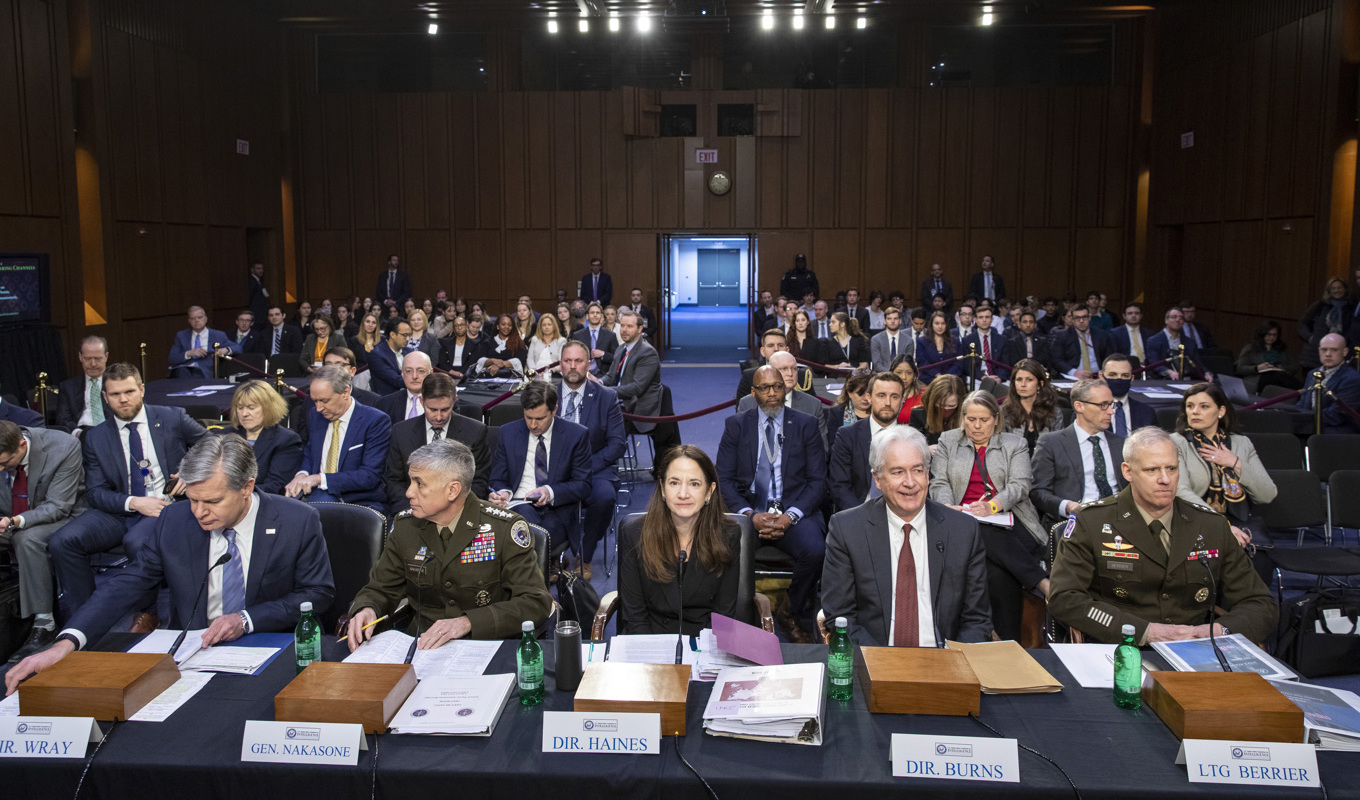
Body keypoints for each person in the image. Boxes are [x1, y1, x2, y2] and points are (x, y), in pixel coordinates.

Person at [7, 434, 335, 695]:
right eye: (193, 499)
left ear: (247, 487)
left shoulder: (297, 520)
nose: (199, 512)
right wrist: (66, 643)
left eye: (213, 501)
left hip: (272, 653)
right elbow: (127, 584)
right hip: (192, 659)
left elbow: (317, 593)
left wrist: (246, 619)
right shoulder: (175, 521)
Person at [1048, 426, 1278, 645]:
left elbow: (1260, 603)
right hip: (1120, 647)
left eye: (1172, 468)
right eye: (1152, 470)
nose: (1165, 479)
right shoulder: (1092, 522)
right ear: (1127, 472)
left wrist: (1217, 631)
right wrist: (1145, 632)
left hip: (1197, 650)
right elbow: (1065, 599)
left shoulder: (1211, 525)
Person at [349, 438, 552, 648]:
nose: (409, 492)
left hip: (486, 645)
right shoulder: (406, 527)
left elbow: (535, 603)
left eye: (419, 483)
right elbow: (381, 589)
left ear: (453, 490)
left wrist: (468, 622)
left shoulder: (503, 528)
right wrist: (367, 608)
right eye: (410, 482)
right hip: (423, 649)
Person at [47, 363, 207, 620]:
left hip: (168, 505)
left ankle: (145, 613)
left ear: (142, 389)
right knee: (63, 541)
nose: (123, 399)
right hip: (122, 508)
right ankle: (86, 619)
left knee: (137, 543)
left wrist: (192, 475)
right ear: (105, 397)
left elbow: (212, 444)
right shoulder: (96, 437)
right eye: (115, 394)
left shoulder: (171, 417)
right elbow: (95, 492)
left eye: (129, 391)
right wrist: (134, 503)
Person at [822, 426, 992, 646]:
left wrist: (956, 664)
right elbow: (840, 617)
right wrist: (883, 665)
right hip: (877, 661)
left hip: (946, 662)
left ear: (928, 475)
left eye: (918, 470)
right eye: (898, 472)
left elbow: (977, 620)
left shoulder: (963, 530)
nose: (910, 482)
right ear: (878, 479)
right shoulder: (847, 530)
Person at [716, 365, 827, 642]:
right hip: (751, 510)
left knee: (815, 550)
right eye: (764, 388)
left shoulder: (805, 424)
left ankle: (791, 611)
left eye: (777, 386)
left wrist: (791, 515)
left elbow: (817, 481)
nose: (772, 393)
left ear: (786, 388)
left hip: (793, 511)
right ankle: (741, 615)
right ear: (754, 393)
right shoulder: (736, 425)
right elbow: (724, 479)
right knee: (722, 549)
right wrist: (748, 514)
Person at [929, 391, 1048, 641]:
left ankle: (991, 637)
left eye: (984, 419)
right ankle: (1037, 586)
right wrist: (948, 506)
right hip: (960, 520)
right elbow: (939, 482)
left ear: (996, 419)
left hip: (1011, 524)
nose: (977, 426)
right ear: (963, 418)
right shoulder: (948, 441)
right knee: (993, 565)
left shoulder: (1014, 444)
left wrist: (992, 506)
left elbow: (1020, 485)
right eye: (971, 419)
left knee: (981, 536)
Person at [619, 445, 739, 635]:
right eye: (674, 483)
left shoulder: (728, 535)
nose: (683, 494)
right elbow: (634, 616)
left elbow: (723, 614)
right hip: (651, 642)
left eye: (694, 484)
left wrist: (701, 656)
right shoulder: (634, 534)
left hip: (704, 643)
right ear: (663, 489)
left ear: (709, 491)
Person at [0, 421, 84, 661]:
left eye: (5, 464)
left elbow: (58, 506)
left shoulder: (63, 446)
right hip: (9, 520)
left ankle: (44, 624)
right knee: (22, 535)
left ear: (22, 445)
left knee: (27, 539)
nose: (0, 468)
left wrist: (14, 521)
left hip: (62, 518)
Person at [488, 381, 592, 559]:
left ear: (554, 410)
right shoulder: (508, 433)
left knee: (528, 538)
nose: (533, 425)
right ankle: (539, 577)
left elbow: (583, 485)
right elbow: (497, 479)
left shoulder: (576, 435)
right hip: (518, 504)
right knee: (529, 530)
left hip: (557, 510)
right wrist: (503, 493)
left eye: (540, 418)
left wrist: (549, 491)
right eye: (528, 417)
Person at [1173, 382, 1275, 550]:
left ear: (1221, 411)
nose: (1195, 411)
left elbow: (1267, 494)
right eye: (1189, 406)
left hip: (1238, 521)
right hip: (1192, 519)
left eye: (1204, 406)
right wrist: (1223, 526)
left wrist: (1235, 463)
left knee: (1257, 560)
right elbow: (1181, 492)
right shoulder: (1175, 442)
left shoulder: (1241, 443)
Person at [557, 341, 626, 578]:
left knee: (604, 497)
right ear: (560, 364)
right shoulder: (548, 396)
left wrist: (585, 467)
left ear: (589, 365)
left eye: (578, 361)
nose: (573, 366)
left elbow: (618, 445)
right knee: (540, 494)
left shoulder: (606, 397)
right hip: (555, 470)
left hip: (597, 468)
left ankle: (584, 556)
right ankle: (556, 555)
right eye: (568, 361)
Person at [285, 365, 391, 515]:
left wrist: (319, 479)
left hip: (357, 498)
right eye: (315, 401)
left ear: (345, 392)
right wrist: (302, 474)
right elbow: (310, 453)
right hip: (316, 495)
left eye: (324, 401)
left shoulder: (375, 420)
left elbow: (369, 476)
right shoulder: (315, 416)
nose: (319, 408)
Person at [1029, 378, 1126, 532]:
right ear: (1079, 406)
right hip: (1075, 524)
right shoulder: (1052, 443)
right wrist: (1067, 506)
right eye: (1103, 405)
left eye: (1111, 404)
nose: (1111, 411)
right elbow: (1037, 492)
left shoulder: (1120, 444)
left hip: (1118, 523)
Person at [385, 373, 489, 514]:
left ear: (454, 400)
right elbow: (394, 482)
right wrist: (415, 510)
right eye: (432, 409)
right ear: (421, 401)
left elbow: (477, 483)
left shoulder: (475, 432)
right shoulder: (401, 432)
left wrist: (446, 511)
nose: (439, 417)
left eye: (445, 409)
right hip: (412, 511)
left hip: (456, 514)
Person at [602, 308, 679, 455]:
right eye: (622, 326)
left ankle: (605, 465)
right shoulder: (620, 349)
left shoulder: (647, 352)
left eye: (629, 326)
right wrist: (599, 382)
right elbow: (610, 377)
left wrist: (607, 391)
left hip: (636, 409)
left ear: (639, 329)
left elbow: (637, 388)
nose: (624, 330)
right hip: (618, 403)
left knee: (602, 425)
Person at [830, 372, 906, 512]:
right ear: (869, 398)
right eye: (881, 395)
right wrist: (862, 517)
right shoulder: (847, 436)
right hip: (857, 512)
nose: (887, 403)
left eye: (894, 396)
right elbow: (839, 486)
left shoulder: (911, 439)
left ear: (903, 400)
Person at [223, 380, 302, 495]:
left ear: (268, 408)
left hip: (260, 502)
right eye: (240, 408)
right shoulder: (224, 436)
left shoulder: (286, 440)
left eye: (251, 407)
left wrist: (233, 493)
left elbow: (275, 486)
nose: (244, 413)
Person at [737, 352, 828, 452]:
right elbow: (740, 447)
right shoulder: (748, 403)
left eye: (794, 368)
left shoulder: (812, 405)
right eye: (784, 369)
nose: (790, 373)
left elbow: (821, 450)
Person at [1300, 333, 1360, 434]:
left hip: (1337, 430)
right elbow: (1302, 403)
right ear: (1319, 350)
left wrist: (1305, 420)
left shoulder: (1352, 378)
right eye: (1324, 350)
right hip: (1311, 424)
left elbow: (1339, 414)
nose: (1328, 354)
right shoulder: (1312, 373)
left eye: (1334, 350)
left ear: (1345, 352)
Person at [1001, 358, 1063, 456]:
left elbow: (1058, 449)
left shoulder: (1053, 412)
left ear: (1040, 384)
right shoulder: (1004, 412)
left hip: (1044, 467)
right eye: (1019, 379)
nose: (1023, 384)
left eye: (1029, 380)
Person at [56, 336, 111, 432]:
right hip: (81, 433)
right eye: (88, 359)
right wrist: (77, 433)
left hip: (110, 431)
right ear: (80, 357)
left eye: (98, 359)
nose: (93, 364)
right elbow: (63, 419)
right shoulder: (68, 387)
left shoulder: (117, 384)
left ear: (106, 356)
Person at [170, 305, 240, 379]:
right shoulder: (181, 335)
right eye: (193, 318)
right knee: (181, 372)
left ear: (206, 319)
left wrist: (225, 350)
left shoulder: (218, 335)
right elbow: (172, 358)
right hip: (185, 370)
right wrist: (189, 353)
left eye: (200, 317)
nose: (196, 320)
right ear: (189, 321)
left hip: (206, 370)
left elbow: (238, 348)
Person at [1298, 277, 1352, 372]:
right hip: (1313, 354)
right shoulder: (1320, 305)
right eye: (1333, 288)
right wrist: (1310, 338)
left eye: (1339, 288)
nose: (1336, 290)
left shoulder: (1350, 308)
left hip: (1337, 355)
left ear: (1345, 289)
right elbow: (1302, 324)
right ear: (1329, 291)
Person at [1237, 320, 1301, 393]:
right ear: (1262, 334)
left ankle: (1302, 393)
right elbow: (1240, 368)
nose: (1271, 337)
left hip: (1279, 376)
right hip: (1259, 377)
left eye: (1274, 335)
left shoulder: (1281, 348)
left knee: (1281, 376)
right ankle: (1302, 392)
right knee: (1279, 377)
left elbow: (1294, 367)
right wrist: (1257, 368)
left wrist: (1282, 368)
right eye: (1269, 334)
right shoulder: (1251, 348)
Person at [1101, 353, 1156, 437]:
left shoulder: (1147, 413)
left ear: (1132, 379)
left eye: (1125, 375)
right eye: (1112, 375)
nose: (1118, 379)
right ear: (1101, 377)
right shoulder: (1088, 411)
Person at [1146, 307, 1207, 380]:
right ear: (1166, 320)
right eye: (1174, 317)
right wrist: (1168, 372)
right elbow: (1153, 364)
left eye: (1181, 318)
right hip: (1164, 379)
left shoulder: (1190, 342)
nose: (1178, 320)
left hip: (1188, 379)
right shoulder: (1153, 340)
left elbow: (1198, 363)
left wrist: (1207, 373)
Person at [1053, 304, 1111, 379]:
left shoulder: (1102, 335)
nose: (1081, 321)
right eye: (1077, 318)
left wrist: (1104, 371)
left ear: (1089, 317)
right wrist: (1074, 372)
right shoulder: (1062, 336)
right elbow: (1056, 360)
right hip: (1073, 377)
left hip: (1098, 376)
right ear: (1072, 320)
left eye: (1084, 317)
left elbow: (1109, 357)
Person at [376, 351, 435, 424]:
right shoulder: (385, 404)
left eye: (421, 371)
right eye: (409, 371)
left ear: (430, 373)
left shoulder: (443, 402)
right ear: (402, 374)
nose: (414, 376)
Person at [908, 373, 963, 448]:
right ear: (932, 400)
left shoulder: (967, 415)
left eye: (952, 406)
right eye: (941, 405)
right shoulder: (918, 414)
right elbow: (913, 446)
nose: (946, 409)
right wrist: (926, 450)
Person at [961, 305, 1009, 380]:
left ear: (992, 319)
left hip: (997, 378)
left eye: (987, 317)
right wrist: (983, 377)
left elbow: (1004, 364)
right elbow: (967, 367)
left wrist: (999, 378)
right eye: (981, 317)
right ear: (975, 320)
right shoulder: (967, 340)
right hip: (977, 378)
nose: (984, 320)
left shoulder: (1001, 340)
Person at [572, 302, 618, 376]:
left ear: (601, 316)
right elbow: (573, 356)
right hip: (583, 375)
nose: (595, 315)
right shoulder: (578, 335)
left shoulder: (611, 335)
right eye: (592, 313)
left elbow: (617, 358)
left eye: (598, 313)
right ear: (587, 316)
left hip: (604, 376)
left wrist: (603, 354)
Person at [368, 318, 410, 396]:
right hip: (387, 400)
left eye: (409, 335)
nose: (407, 339)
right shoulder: (376, 354)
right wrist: (421, 379)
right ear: (392, 335)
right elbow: (396, 380)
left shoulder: (409, 352)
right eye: (404, 335)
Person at [917, 310, 960, 380]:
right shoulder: (922, 341)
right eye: (937, 323)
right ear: (931, 324)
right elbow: (922, 363)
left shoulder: (955, 341)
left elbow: (958, 363)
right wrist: (937, 375)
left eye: (943, 323)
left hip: (950, 379)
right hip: (929, 379)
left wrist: (946, 376)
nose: (940, 326)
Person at [870, 307, 914, 373]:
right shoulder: (876, 340)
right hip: (881, 376)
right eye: (889, 318)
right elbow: (877, 365)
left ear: (900, 321)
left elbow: (908, 364)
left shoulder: (909, 341)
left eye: (895, 318)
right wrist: (891, 374)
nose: (892, 321)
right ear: (884, 321)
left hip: (901, 376)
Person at [1110, 302, 1149, 368]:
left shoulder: (1148, 333)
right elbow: (1114, 355)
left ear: (1141, 316)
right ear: (1124, 316)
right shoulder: (1115, 333)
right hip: (1125, 367)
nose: (1133, 315)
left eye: (1137, 313)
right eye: (1130, 313)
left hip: (1147, 368)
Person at [891, 355, 925, 422]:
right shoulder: (883, 392)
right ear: (891, 373)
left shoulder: (924, 394)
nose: (904, 377)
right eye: (899, 372)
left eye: (909, 373)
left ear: (914, 375)